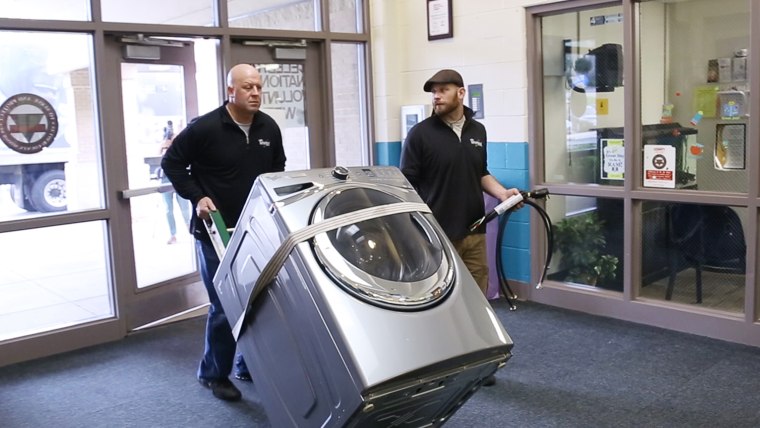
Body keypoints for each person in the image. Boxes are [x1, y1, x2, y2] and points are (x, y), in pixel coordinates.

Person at [161, 64, 286, 402]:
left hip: (255, 230)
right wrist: (196, 196)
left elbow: (277, 170)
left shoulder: (268, 128)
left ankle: (246, 364)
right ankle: (213, 374)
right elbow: (171, 163)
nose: (256, 93)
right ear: (231, 90)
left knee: (256, 301)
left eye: (259, 87)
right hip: (215, 233)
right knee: (224, 304)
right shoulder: (205, 128)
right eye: (248, 87)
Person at [400, 69, 521, 386]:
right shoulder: (420, 135)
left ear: (461, 93)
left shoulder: (477, 131)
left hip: (474, 231)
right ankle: (436, 366)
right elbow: (406, 184)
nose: (436, 96)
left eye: (442, 90)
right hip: (438, 237)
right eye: (433, 92)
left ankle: (477, 363)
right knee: (441, 303)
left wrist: (502, 193)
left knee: (477, 302)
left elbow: (480, 172)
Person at [159, 120, 191, 245]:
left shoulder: (179, 146)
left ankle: (189, 229)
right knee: (168, 209)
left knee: (184, 208)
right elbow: (159, 159)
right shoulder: (163, 145)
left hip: (178, 179)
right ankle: (172, 234)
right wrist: (163, 146)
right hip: (165, 179)